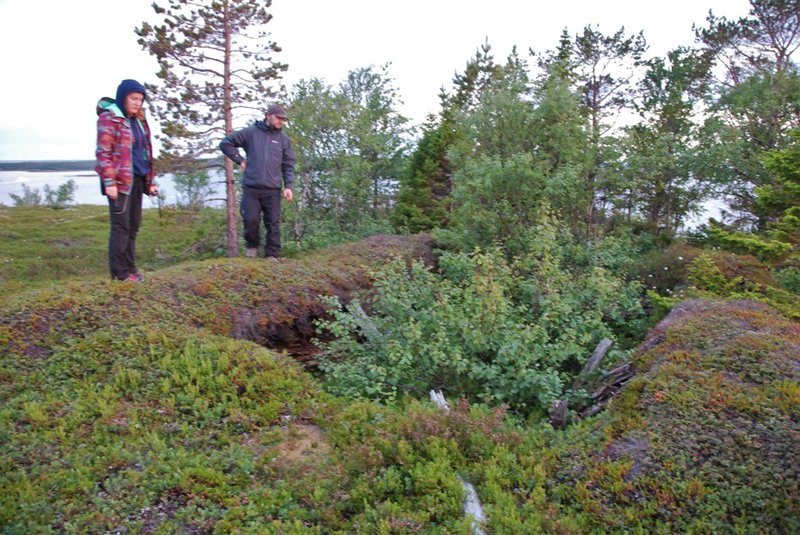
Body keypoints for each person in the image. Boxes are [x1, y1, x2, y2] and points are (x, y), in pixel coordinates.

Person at [95, 79, 158, 282]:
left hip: (138, 180)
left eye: (140, 99)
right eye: (133, 98)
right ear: (123, 97)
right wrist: (109, 182)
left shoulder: (139, 121)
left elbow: (146, 152)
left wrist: (151, 181)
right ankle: (119, 274)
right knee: (120, 228)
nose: (137, 103)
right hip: (120, 183)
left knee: (133, 226)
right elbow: (103, 153)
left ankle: (131, 269)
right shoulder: (110, 118)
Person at [219, 104, 295, 259]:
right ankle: (252, 247)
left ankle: (272, 255)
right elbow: (226, 143)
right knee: (250, 220)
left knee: (273, 223)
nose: (281, 121)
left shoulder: (283, 140)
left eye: (283, 119)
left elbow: (288, 164)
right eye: (279, 118)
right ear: (268, 116)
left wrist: (288, 186)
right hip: (251, 187)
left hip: (273, 188)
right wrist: (239, 160)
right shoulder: (251, 133)